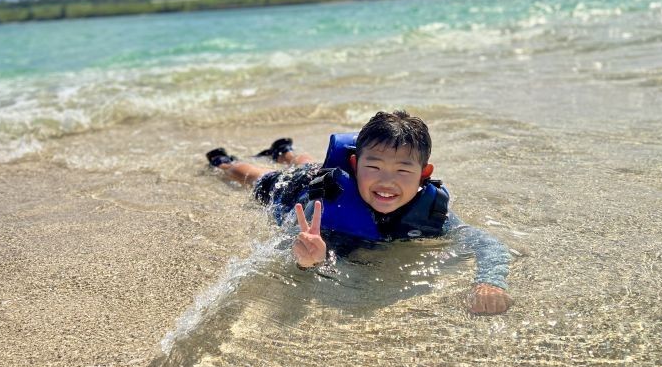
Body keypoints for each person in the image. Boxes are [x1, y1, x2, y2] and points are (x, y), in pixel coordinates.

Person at [206, 110, 512, 315]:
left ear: (423, 173)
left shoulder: (431, 212)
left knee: (309, 162)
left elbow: (489, 245)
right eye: (374, 167)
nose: (387, 182)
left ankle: (284, 149)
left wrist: (491, 281)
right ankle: (226, 162)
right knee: (258, 177)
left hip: (332, 176)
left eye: (403, 170)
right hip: (300, 186)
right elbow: (293, 246)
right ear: (354, 167)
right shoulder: (321, 208)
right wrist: (306, 261)